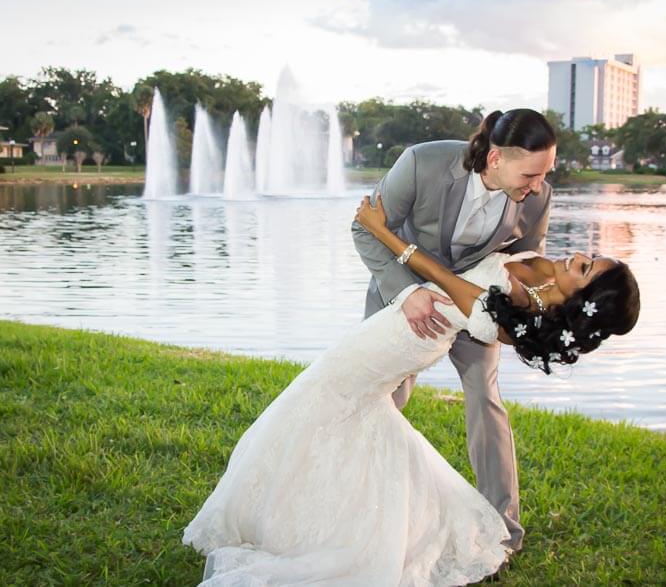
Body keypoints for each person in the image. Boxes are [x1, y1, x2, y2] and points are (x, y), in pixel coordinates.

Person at [182, 196, 640, 586]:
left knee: (322, 401)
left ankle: (323, 535)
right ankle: (308, 514)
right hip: (393, 332)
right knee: (343, 413)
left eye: (583, 266)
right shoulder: (538, 273)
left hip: (401, 339)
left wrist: (377, 228)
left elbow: (435, 273)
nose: (575, 254)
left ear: (580, 299)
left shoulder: (513, 311)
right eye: (587, 255)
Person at [352, 108, 556, 551]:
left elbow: (525, 265)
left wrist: (498, 303)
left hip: (474, 306)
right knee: (383, 400)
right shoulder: (421, 162)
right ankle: (366, 514)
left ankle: (502, 530)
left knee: (486, 398)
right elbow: (366, 228)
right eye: (531, 174)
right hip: (399, 294)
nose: (538, 185)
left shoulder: (538, 198)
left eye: (544, 174)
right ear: (497, 157)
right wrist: (406, 295)